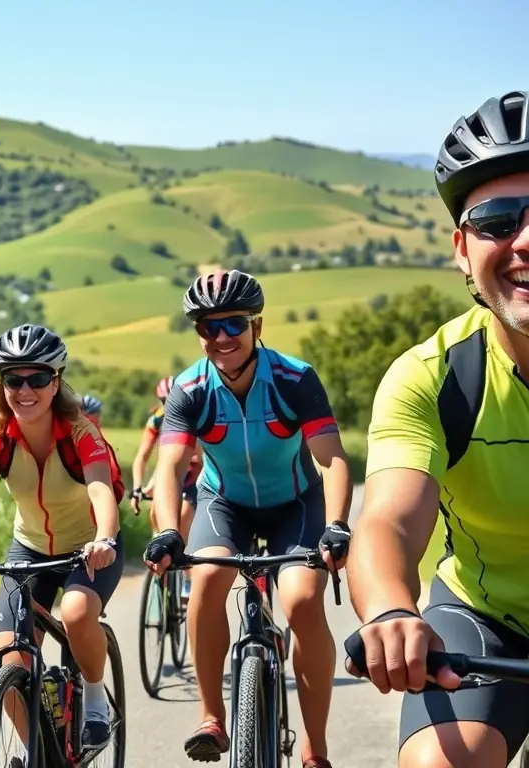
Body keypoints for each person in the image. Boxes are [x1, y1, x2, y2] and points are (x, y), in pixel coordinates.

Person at [344, 89, 529, 768]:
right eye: (496, 220)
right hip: (489, 627)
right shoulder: (430, 378)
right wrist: (389, 612)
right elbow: (388, 523)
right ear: (462, 250)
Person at [142, 269, 354, 768]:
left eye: (232, 325)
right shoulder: (191, 389)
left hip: (295, 504)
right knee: (208, 576)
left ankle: (315, 748)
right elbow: (170, 467)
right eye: (207, 327)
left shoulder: (294, 378)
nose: (220, 338)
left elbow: (332, 458)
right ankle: (212, 718)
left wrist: (338, 523)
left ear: (257, 326)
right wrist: (169, 530)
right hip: (225, 504)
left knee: (302, 600)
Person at [0, 324, 124, 749]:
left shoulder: (80, 432)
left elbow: (102, 488)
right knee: (8, 656)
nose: (25, 389)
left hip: (89, 546)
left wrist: (104, 537)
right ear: (2, 384)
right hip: (28, 548)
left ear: (56, 383)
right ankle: (38, 751)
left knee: (77, 610)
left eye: (38, 378)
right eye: (14, 379)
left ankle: (95, 695)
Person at [129, 375, 204, 603]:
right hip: (168, 471)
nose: (168, 406)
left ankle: (188, 576)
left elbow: (201, 459)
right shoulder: (156, 420)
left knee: (180, 521)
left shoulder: (195, 416)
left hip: (195, 474)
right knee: (156, 512)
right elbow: (142, 457)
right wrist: (137, 488)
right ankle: (159, 551)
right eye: (164, 401)